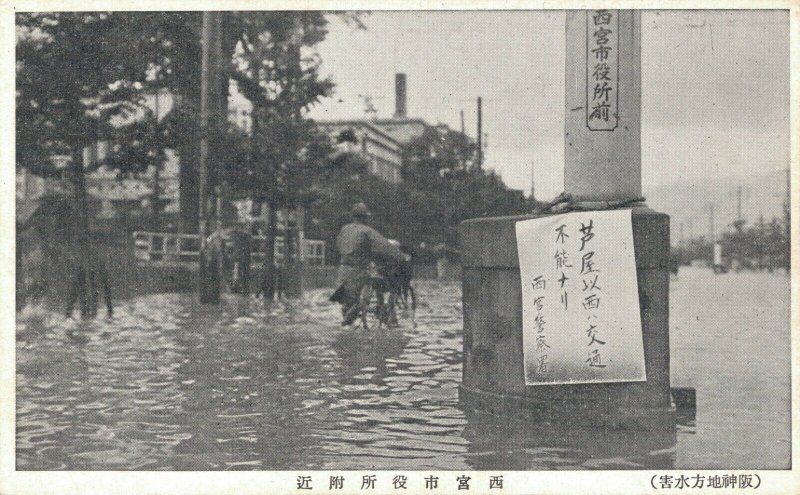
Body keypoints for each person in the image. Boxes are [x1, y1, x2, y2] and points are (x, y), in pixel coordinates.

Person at [330, 203, 406, 326]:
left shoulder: (344, 229)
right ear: (365, 218)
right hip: (358, 271)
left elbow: (338, 244)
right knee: (368, 291)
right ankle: (350, 321)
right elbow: (385, 247)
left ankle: (347, 323)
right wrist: (401, 256)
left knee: (347, 303)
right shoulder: (367, 231)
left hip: (343, 270)